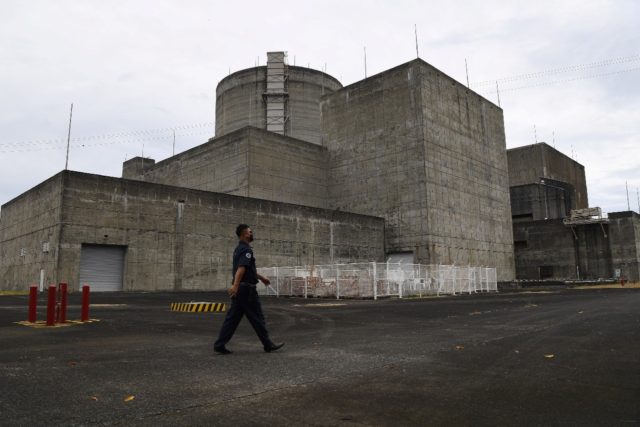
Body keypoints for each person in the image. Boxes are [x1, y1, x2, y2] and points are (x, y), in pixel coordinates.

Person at [214, 224, 284, 354]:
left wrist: (262, 278)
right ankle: (267, 344)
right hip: (246, 290)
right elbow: (241, 268)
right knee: (257, 317)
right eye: (249, 232)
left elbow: (247, 269)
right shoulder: (246, 250)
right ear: (243, 234)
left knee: (232, 319)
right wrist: (235, 285)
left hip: (241, 289)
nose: (251, 234)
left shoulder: (238, 249)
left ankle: (219, 344)